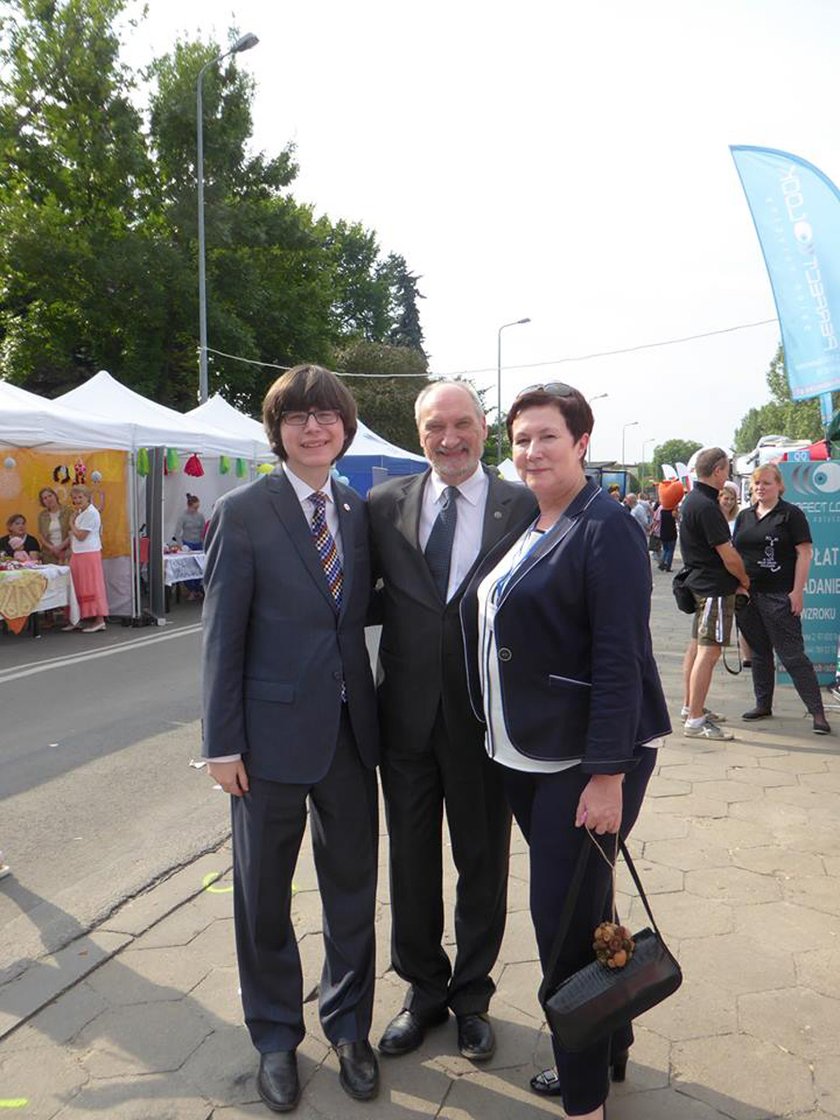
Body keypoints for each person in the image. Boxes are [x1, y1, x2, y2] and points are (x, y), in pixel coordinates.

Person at [461, 382, 670, 1120]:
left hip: (585, 764)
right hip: (527, 755)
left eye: (547, 436)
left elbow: (620, 658)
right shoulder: (534, 521)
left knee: (561, 927)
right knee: (587, 911)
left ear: (582, 442)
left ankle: (584, 1101)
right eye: (520, 439)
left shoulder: (604, 525)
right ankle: (608, 1049)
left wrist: (608, 775)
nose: (531, 451)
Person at [202, 364, 380, 1112]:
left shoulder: (355, 507)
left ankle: (348, 1027)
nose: (314, 427)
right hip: (266, 743)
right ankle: (276, 1037)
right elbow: (221, 637)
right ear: (277, 431)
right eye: (298, 417)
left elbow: (360, 611)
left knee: (352, 892)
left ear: (344, 427)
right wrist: (221, 743)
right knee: (263, 897)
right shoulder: (243, 511)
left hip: (349, 734)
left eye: (327, 416)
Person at [368, 380, 537, 1062]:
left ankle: (472, 998)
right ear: (419, 433)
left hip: (483, 721)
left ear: (484, 427)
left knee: (482, 864)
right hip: (403, 721)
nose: (450, 438)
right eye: (436, 426)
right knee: (409, 864)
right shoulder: (383, 505)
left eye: (462, 423)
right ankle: (423, 992)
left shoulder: (520, 505)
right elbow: (355, 594)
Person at [733, 463, 831, 735]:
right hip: (748, 596)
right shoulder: (744, 516)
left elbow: (805, 553)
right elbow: (736, 552)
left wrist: (797, 591)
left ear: (779, 486)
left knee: (792, 655)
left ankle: (817, 713)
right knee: (760, 652)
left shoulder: (791, 515)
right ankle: (763, 704)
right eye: (757, 483)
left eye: (767, 483)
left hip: (779, 595)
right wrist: (738, 586)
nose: (761, 488)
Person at [678, 449, 750, 739]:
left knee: (696, 648)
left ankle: (690, 707)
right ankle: (695, 719)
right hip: (714, 588)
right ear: (718, 470)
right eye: (728, 469)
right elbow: (728, 555)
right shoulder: (707, 506)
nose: (729, 474)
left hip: (700, 584)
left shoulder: (693, 500)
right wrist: (745, 579)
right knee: (709, 652)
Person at [64, 485, 108, 633]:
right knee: (77, 585)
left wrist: (71, 524)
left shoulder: (91, 513)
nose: (77, 500)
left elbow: (81, 536)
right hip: (78, 553)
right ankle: (78, 618)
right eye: (74, 498)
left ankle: (99, 619)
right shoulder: (79, 512)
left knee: (91, 585)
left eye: (80, 497)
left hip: (89, 553)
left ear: (87, 497)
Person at [173, 493, 206, 599]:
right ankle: (191, 589)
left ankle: (197, 589)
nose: (196, 509)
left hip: (198, 544)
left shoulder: (200, 516)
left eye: (198, 507)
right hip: (187, 544)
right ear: (189, 506)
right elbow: (177, 533)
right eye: (194, 507)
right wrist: (181, 546)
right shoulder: (183, 516)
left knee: (199, 568)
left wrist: (204, 543)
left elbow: (203, 531)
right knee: (187, 569)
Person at [37, 488, 72, 564]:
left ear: (55, 496)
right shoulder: (42, 516)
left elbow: (72, 532)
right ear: (43, 502)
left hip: (66, 553)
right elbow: (40, 535)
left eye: (50, 496)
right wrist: (52, 548)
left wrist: (60, 548)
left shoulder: (68, 511)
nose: (48, 499)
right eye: (45, 498)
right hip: (49, 553)